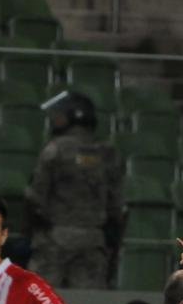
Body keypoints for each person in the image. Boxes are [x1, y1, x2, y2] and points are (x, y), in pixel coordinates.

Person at [26, 90, 122, 289]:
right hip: (94, 240)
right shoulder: (106, 153)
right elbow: (116, 205)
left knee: (41, 302)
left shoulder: (55, 149)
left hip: (56, 239)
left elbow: (36, 197)